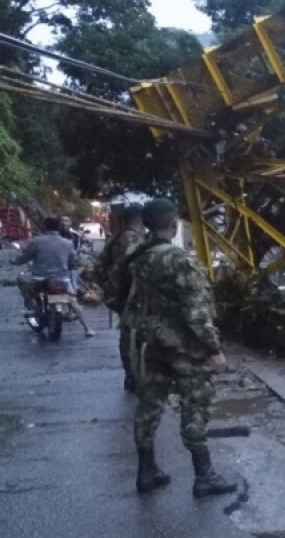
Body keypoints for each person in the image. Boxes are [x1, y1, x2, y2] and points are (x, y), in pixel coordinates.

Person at [122, 198, 238, 497]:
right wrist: (214, 350)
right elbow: (196, 311)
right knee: (195, 405)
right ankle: (205, 476)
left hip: (149, 343)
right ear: (174, 224)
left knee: (149, 405)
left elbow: (123, 295)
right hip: (184, 348)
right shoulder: (179, 260)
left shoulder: (138, 256)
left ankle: (146, 471)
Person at [14, 217, 96, 337]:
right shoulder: (67, 243)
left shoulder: (36, 241)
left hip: (39, 279)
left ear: (44, 227)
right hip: (61, 279)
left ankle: (30, 306)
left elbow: (25, 257)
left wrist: (15, 262)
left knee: (21, 279)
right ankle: (88, 329)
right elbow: (73, 261)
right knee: (73, 302)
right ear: (58, 227)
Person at [96, 204, 147, 393]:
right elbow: (133, 271)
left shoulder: (115, 239)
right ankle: (135, 377)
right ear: (141, 219)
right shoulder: (134, 240)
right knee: (134, 338)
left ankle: (132, 376)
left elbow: (100, 267)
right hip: (132, 297)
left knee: (128, 335)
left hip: (119, 296)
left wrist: (109, 290)